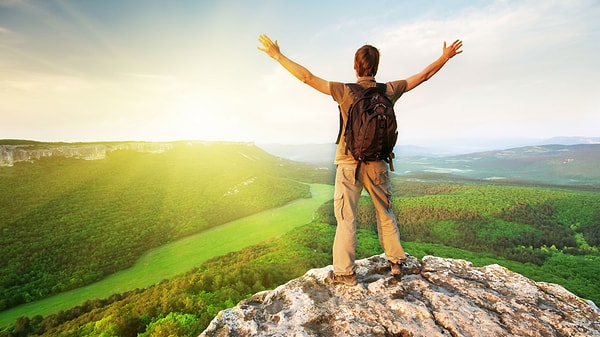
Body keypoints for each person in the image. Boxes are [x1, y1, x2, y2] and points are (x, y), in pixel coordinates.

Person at [258, 34, 463, 286]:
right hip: (377, 163)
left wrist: (277, 55)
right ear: (376, 67)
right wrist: (444, 57)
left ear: (355, 67)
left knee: (346, 218)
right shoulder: (388, 90)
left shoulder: (344, 91)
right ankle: (396, 263)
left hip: (348, 164)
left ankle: (345, 273)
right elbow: (423, 76)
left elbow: (307, 77)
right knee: (385, 212)